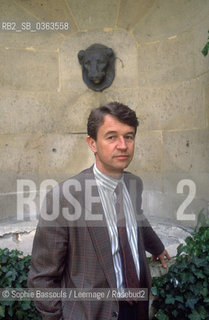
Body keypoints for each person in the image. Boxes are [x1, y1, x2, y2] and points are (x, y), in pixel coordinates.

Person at [28, 102, 170, 320]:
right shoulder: (64, 197)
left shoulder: (134, 184)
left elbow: (137, 220)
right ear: (92, 143)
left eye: (129, 137)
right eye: (111, 137)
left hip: (137, 308)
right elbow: (42, 278)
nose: (123, 145)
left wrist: (157, 247)